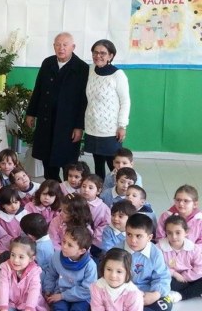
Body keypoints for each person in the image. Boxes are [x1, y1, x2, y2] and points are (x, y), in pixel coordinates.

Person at [26, 32, 89, 181]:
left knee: (68, 162)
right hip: (46, 119)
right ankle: (53, 190)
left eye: (65, 45)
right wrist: (31, 113)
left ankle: (69, 193)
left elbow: (83, 101)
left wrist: (79, 126)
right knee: (47, 160)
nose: (61, 48)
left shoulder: (82, 68)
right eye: (58, 45)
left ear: (73, 47)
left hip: (68, 124)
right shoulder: (48, 63)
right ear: (54, 47)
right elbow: (38, 89)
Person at [84, 39, 131, 180]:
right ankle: (100, 197)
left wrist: (122, 125)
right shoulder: (90, 70)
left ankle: (120, 195)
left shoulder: (118, 75)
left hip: (110, 129)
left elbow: (125, 102)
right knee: (98, 165)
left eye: (103, 53)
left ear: (110, 56)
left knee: (115, 167)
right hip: (92, 127)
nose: (98, 56)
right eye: (95, 52)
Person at [120, 214, 172, 311]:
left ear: (149, 237)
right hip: (124, 293)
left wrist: (155, 294)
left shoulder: (156, 253)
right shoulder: (117, 250)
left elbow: (162, 277)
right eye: (129, 234)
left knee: (166, 304)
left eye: (138, 236)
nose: (133, 240)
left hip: (147, 293)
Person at [42, 226, 97, 311]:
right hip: (59, 292)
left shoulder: (90, 266)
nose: (64, 246)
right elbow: (50, 274)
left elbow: (87, 290)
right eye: (64, 241)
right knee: (59, 308)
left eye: (70, 245)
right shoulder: (56, 256)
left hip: (80, 298)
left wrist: (63, 296)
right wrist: (48, 289)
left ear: (81, 251)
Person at [157, 215, 202, 303]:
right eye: (169, 233)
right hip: (172, 279)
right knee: (165, 281)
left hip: (190, 278)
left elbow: (199, 268)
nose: (173, 236)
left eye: (178, 232)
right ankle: (194, 291)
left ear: (186, 232)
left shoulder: (194, 248)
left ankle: (180, 295)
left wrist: (185, 276)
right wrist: (174, 274)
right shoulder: (159, 247)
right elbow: (158, 267)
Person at [0, 236, 47, 311]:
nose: (15, 260)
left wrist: (29, 308)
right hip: (11, 302)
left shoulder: (35, 271)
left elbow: (34, 290)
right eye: (13, 255)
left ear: (31, 259)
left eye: (21, 257)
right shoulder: (5, 267)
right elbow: (3, 287)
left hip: (29, 304)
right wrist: (3, 307)